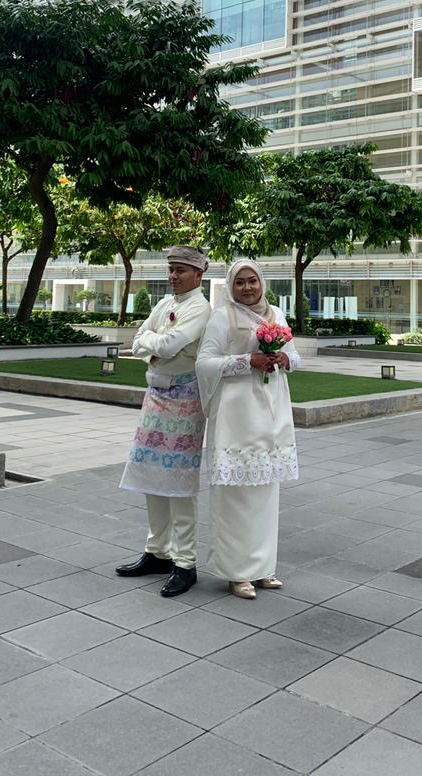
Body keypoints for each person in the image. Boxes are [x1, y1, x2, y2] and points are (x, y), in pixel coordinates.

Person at [196, 259, 299, 599]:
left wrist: (285, 360)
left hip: (271, 412)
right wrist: (246, 361)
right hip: (237, 415)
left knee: (266, 495)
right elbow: (204, 363)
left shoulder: (276, 314)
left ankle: (263, 568)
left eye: (252, 280)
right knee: (235, 497)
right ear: (230, 286)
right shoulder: (222, 317)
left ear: (261, 282)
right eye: (239, 282)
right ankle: (237, 572)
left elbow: (295, 356)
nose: (247, 288)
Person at [116, 246, 211, 597]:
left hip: (185, 401)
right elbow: (138, 340)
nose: (173, 276)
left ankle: (185, 563)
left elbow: (170, 345)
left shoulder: (200, 308)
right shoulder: (165, 303)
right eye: (171, 269)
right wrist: (155, 345)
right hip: (155, 397)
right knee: (151, 477)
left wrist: (153, 344)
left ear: (198, 275)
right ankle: (157, 551)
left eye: (181, 270)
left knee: (179, 483)